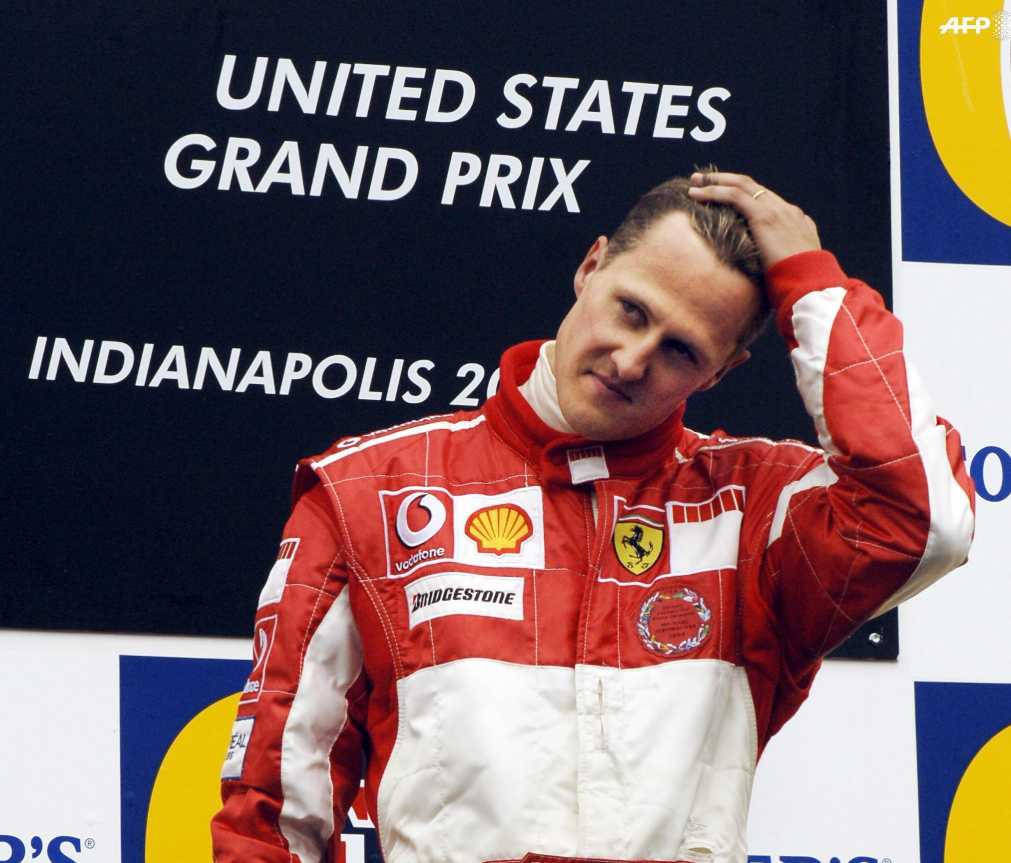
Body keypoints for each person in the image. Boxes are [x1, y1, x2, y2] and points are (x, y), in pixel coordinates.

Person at [211, 170, 975, 863]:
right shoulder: (366, 490)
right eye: (630, 308)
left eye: (680, 348)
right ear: (590, 265)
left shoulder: (755, 510)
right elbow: (273, 812)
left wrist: (813, 286)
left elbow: (925, 518)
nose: (632, 358)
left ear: (722, 371)